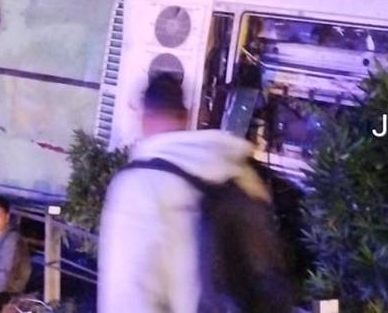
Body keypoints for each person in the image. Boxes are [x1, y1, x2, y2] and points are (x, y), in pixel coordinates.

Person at [97, 74, 275, 313]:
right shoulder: (239, 171)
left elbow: (129, 294)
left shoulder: (137, 187)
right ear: (186, 115)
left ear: (144, 118)